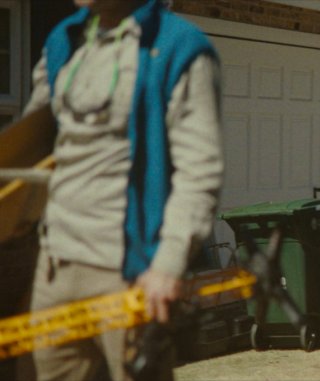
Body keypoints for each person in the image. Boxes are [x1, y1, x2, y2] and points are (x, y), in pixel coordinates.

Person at [22, 0, 223, 379]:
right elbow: (32, 146)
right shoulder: (64, 42)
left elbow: (199, 171)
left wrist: (167, 265)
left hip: (128, 273)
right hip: (54, 268)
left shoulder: (179, 47)